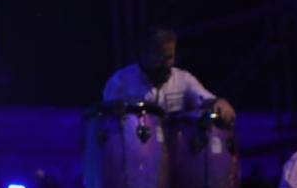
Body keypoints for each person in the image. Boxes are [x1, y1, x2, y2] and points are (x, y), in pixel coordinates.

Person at [101, 25, 236, 123]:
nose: (166, 63)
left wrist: (220, 104)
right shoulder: (120, 81)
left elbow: (207, 100)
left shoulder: (183, 79)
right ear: (143, 53)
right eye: (160, 57)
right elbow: (104, 122)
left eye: (170, 57)